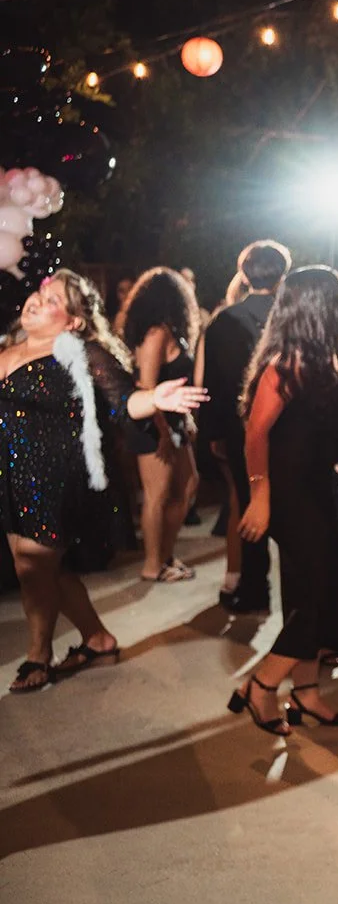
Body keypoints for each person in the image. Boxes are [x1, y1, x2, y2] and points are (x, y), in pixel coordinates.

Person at [4, 271, 206, 693]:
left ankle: (38, 654)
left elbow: (123, 401)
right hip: (11, 474)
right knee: (48, 570)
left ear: (74, 321)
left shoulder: (82, 352)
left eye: (53, 300)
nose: (37, 301)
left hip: (56, 477)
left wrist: (156, 398)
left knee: (32, 565)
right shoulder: (7, 349)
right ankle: (97, 638)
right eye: (40, 294)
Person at [232, 267, 338, 732]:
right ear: (321, 309)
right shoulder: (282, 367)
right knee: (316, 600)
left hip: (316, 490)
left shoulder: (320, 362)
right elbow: (255, 435)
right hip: (288, 495)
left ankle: (305, 694)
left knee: (315, 595)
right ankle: (261, 685)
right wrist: (260, 495)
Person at [198, 240, 288, 613]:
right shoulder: (291, 316)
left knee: (250, 501)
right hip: (287, 424)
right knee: (290, 505)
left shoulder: (225, 320)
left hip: (241, 426)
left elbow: (215, 384)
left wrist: (214, 433)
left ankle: (254, 588)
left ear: (245, 274)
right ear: (282, 274)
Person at [118, 267, 203, 583]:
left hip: (172, 421)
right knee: (157, 494)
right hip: (152, 423)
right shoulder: (155, 334)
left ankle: (165, 554)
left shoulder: (169, 330)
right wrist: (163, 432)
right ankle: (153, 565)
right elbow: (147, 387)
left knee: (188, 484)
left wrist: (184, 420)